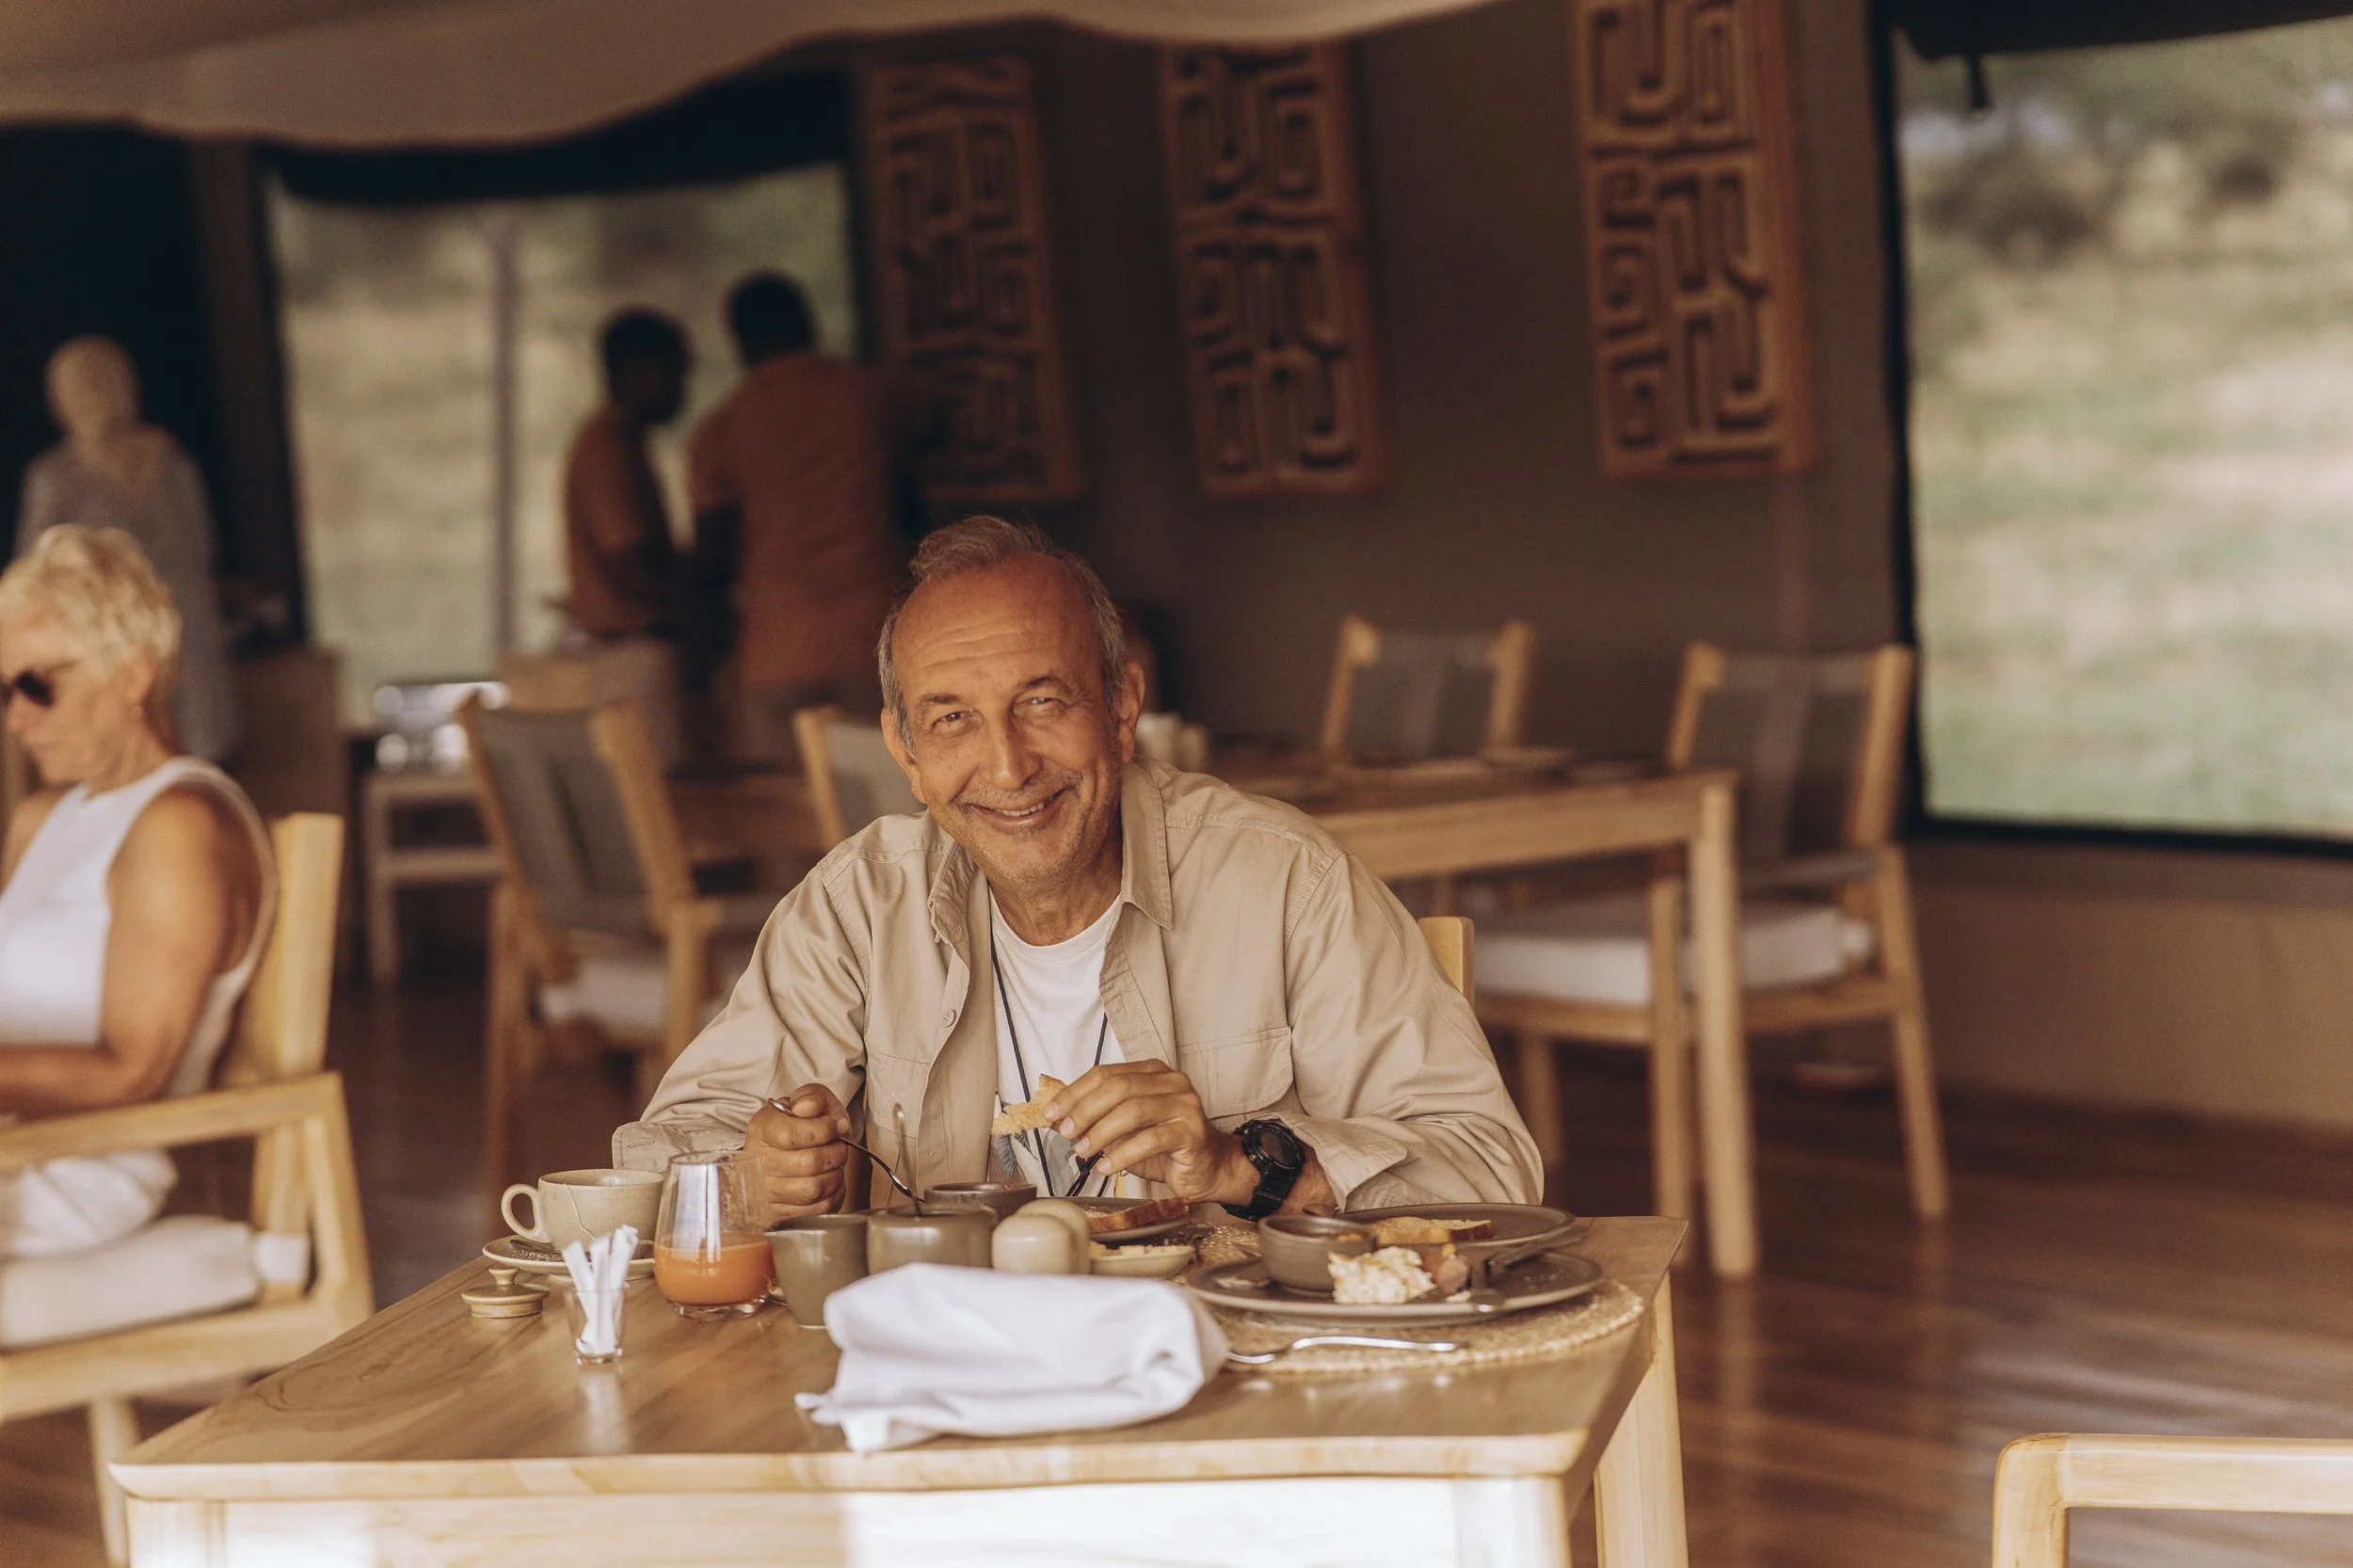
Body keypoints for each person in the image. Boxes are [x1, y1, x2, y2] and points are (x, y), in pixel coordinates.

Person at [617, 518, 1540, 1220]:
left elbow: (1488, 1165)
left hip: (1230, 1383)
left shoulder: (1284, 879)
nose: (1010, 766)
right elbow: (656, 1157)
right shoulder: (859, 906)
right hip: (951, 1392)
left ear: (1122, 702)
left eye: (1043, 701)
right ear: (903, 748)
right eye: (950, 720)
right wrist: (747, 1175)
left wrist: (1242, 1164)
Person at [0, 525, 272, 1257]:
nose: (16, 717)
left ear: (132, 675)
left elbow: (133, 1070)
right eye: (4, 690)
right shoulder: (41, 817)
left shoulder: (178, 823)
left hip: (79, 1170)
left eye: (36, 685)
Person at [688, 273, 924, 759]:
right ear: (808, 324)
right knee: (892, 814)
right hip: (873, 641)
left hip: (776, 651)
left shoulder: (722, 427)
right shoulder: (871, 395)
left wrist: (701, 673)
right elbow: (937, 427)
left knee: (789, 823)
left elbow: (709, 561)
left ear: (741, 342)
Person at [18, 337, 240, 764]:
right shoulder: (60, 475)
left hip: (153, 646)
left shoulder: (163, 464)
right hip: (126, 645)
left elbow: (31, 575)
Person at [560, 309, 692, 760]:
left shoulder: (617, 441)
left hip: (631, 654)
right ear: (637, 369)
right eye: (674, 372)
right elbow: (628, 559)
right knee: (659, 804)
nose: (682, 389)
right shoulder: (608, 447)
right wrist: (698, 610)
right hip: (637, 655)